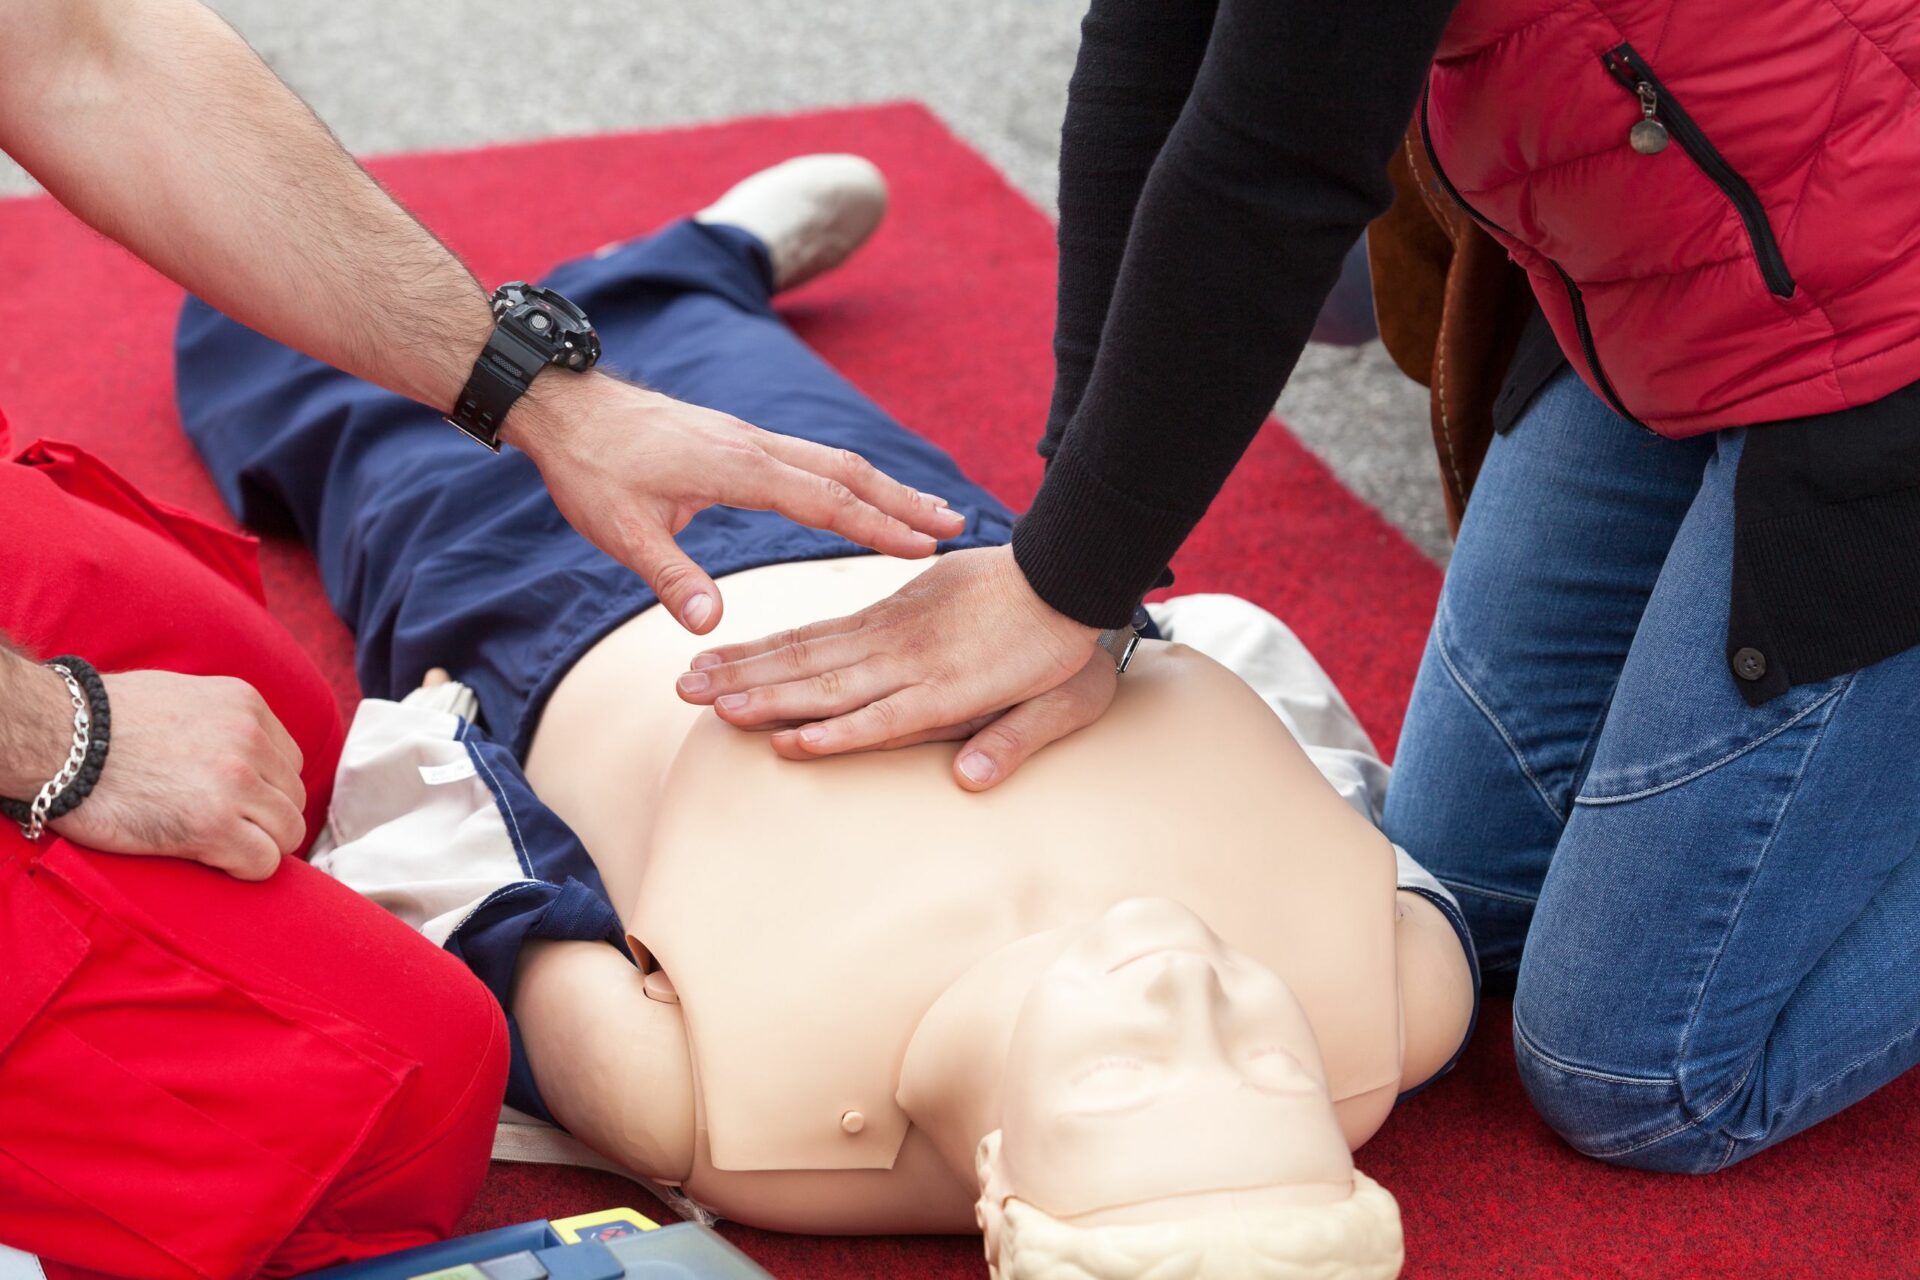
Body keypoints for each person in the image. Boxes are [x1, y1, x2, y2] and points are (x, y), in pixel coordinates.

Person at [176, 157, 1478, 1278]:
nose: (1185, 998)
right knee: (778, 409)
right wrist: (1137, 619)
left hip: (585, 616)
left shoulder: (725, 1112)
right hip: (964, 577)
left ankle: (302, 285)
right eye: (1269, 1073)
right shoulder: (1398, 1005)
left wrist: (458, 719)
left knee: (357, 416)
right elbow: (1295, 731)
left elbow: (477, 874)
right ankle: (693, 266)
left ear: (999, 1183)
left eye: (1125, 1081)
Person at [680, 0, 1920, 1174]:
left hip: (1882, 326)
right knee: (1451, 906)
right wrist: (1075, 542)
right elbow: (1148, 65)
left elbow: (1273, 165)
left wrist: (1062, 588)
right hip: (1675, 262)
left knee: (1642, 1080)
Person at [0, 1, 952, 1273]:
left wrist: (542, 394)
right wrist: (67, 733)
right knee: (390, 1112)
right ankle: (680, 272)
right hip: (632, 625)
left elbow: (81, 53)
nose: (1176, 993)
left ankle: (622, 298)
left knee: (295, 722)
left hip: (655, 616)